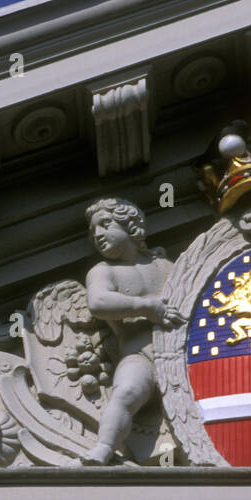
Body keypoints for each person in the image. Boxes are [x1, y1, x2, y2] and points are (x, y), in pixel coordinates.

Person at [79, 197, 182, 465]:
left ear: (131, 226)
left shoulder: (165, 266)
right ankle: (104, 447)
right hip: (141, 355)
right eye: (93, 231)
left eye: (105, 224)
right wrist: (146, 307)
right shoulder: (102, 272)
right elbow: (99, 302)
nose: (98, 235)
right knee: (125, 392)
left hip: (183, 353)